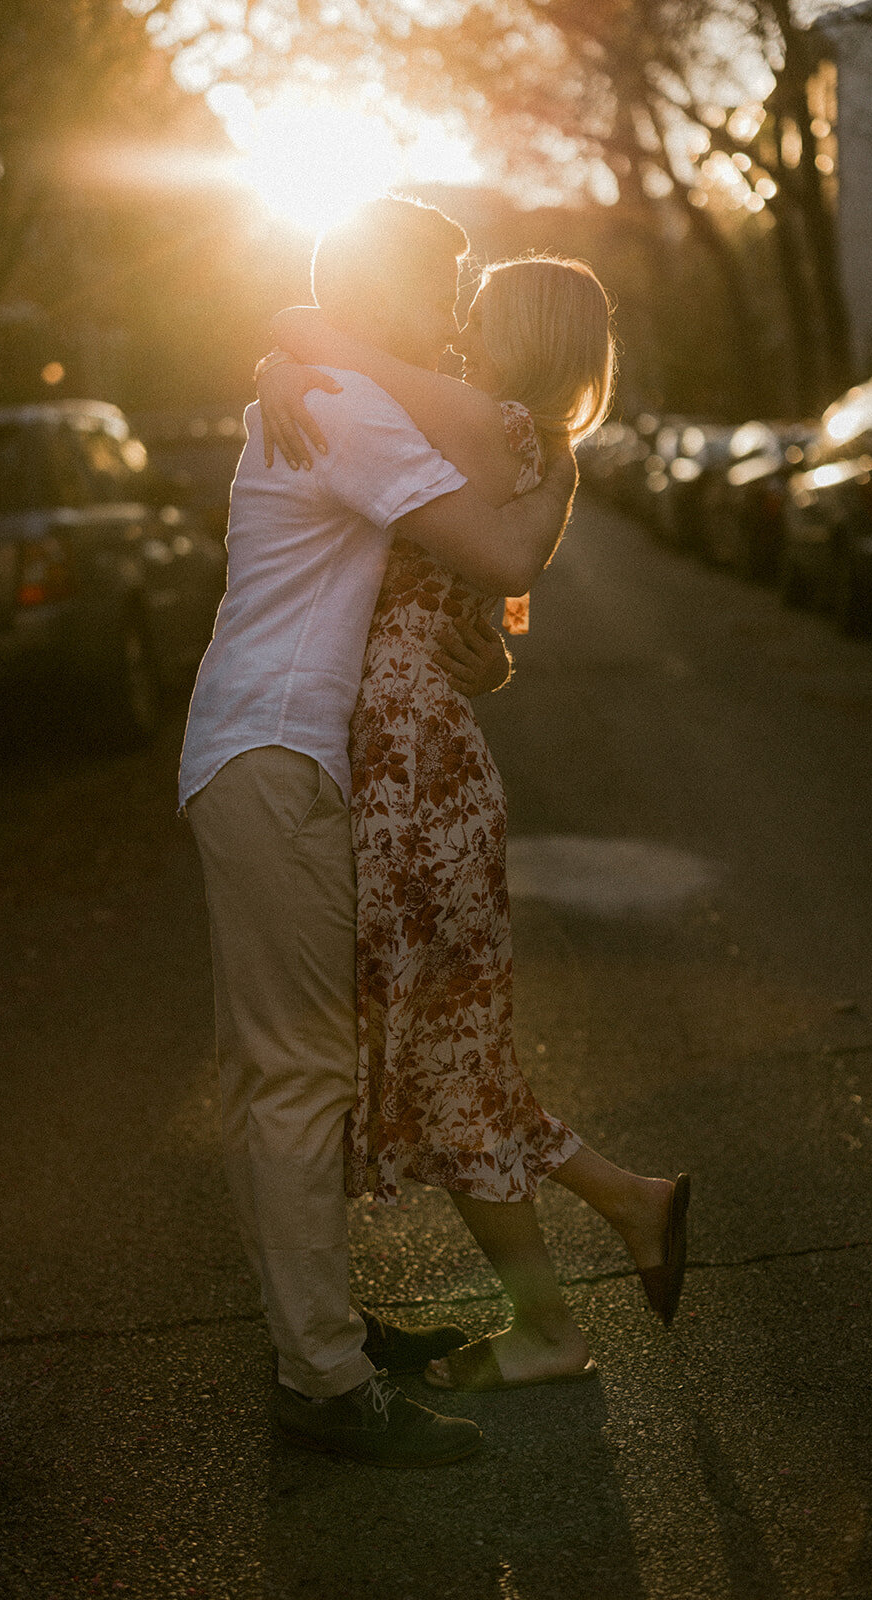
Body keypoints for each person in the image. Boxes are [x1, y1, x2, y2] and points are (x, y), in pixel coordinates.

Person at [178, 196, 578, 1465]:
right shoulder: (342, 407)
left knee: (280, 1074)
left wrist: (294, 339)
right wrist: (561, 453)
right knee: (296, 1077)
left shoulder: (332, 386)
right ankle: (323, 1383)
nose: (454, 318)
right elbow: (501, 545)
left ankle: (319, 1333)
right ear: (382, 292)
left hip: (270, 750)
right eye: (440, 288)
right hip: (278, 752)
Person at [256, 254, 690, 1394]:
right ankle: (627, 1201)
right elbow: (489, 606)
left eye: (479, 315)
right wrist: (277, 362)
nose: (457, 330)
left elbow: (347, 360)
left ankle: (550, 1327)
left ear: (525, 338)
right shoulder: (527, 443)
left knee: (440, 1056)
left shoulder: (499, 424)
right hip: (427, 758)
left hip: (410, 772)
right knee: (455, 1050)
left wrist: (296, 348)